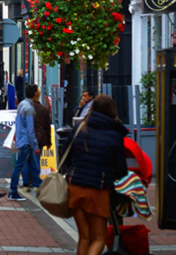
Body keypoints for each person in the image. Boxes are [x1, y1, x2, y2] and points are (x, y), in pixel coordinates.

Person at [63, 95, 128, 255]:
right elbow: (121, 169)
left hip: (76, 187)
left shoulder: (79, 128)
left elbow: (66, 158)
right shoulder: (115, 134)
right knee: (99, 238)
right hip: (98, 190)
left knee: (84, 237)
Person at [8, 83, 39, 202]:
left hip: (22, 140)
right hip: (26, 142)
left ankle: (39, 186)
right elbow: (30, 129)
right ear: (35, 94)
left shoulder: (21, 104)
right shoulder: (29, 108)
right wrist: (35, 145)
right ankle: (12, 191)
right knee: (19, 166)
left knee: (33, 166)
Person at [23, 84, 51, 193]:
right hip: (39, 138)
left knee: (25, 162)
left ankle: (26, 184)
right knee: (36, 161)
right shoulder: (43, 109)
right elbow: (47, 127)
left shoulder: (23, 107)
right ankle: (35, 183)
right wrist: (49, 141)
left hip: (26, 139)